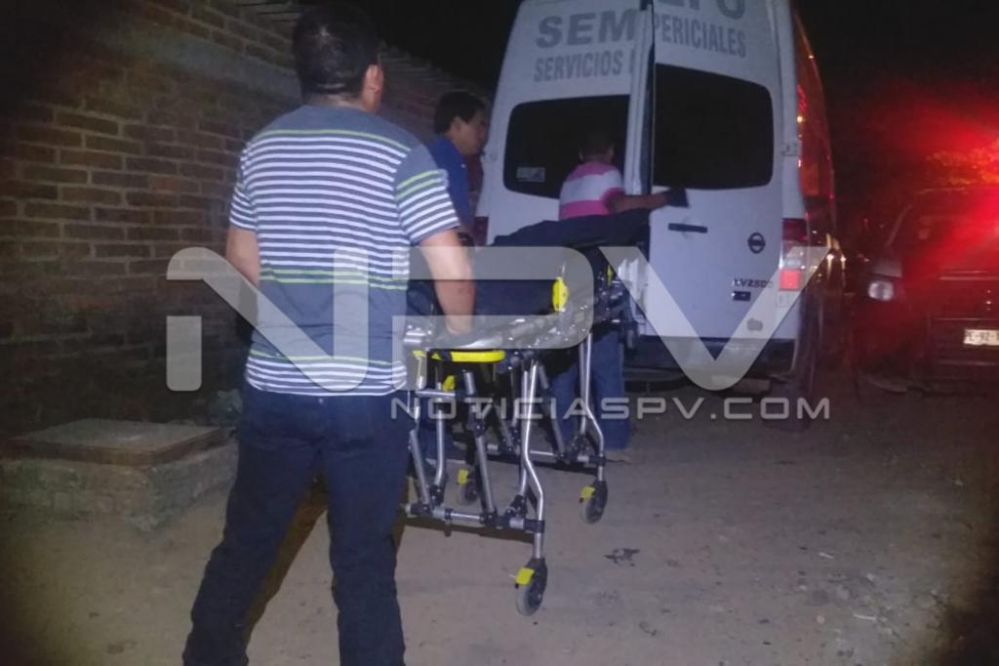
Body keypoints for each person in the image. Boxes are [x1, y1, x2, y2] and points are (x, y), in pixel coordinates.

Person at [182, 6, 474, 666]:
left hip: (277, 389)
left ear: (304, 73)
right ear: (373, 76)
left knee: (248, 539)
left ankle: (207, 655)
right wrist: (456, 338)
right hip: (366, 397)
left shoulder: (261, 148)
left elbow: (241, 259)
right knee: (364, 556)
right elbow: (452, 271)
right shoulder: (401, 152)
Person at [551, 130, 674, 462]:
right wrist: (661, 199)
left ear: (580, 153)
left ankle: (564, 440)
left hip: (568, 277)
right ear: (609, 152)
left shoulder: (570, 181)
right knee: (606, 364)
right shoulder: (607, 174)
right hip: (596, 277)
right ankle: (615, 441)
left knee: (565, 366)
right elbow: (619, 205)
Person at [427, 91, 489, 243]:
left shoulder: (454, 161)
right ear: (457, 125)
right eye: (479, 126)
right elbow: (440, 210)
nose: (483, 135)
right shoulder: (438, 158)